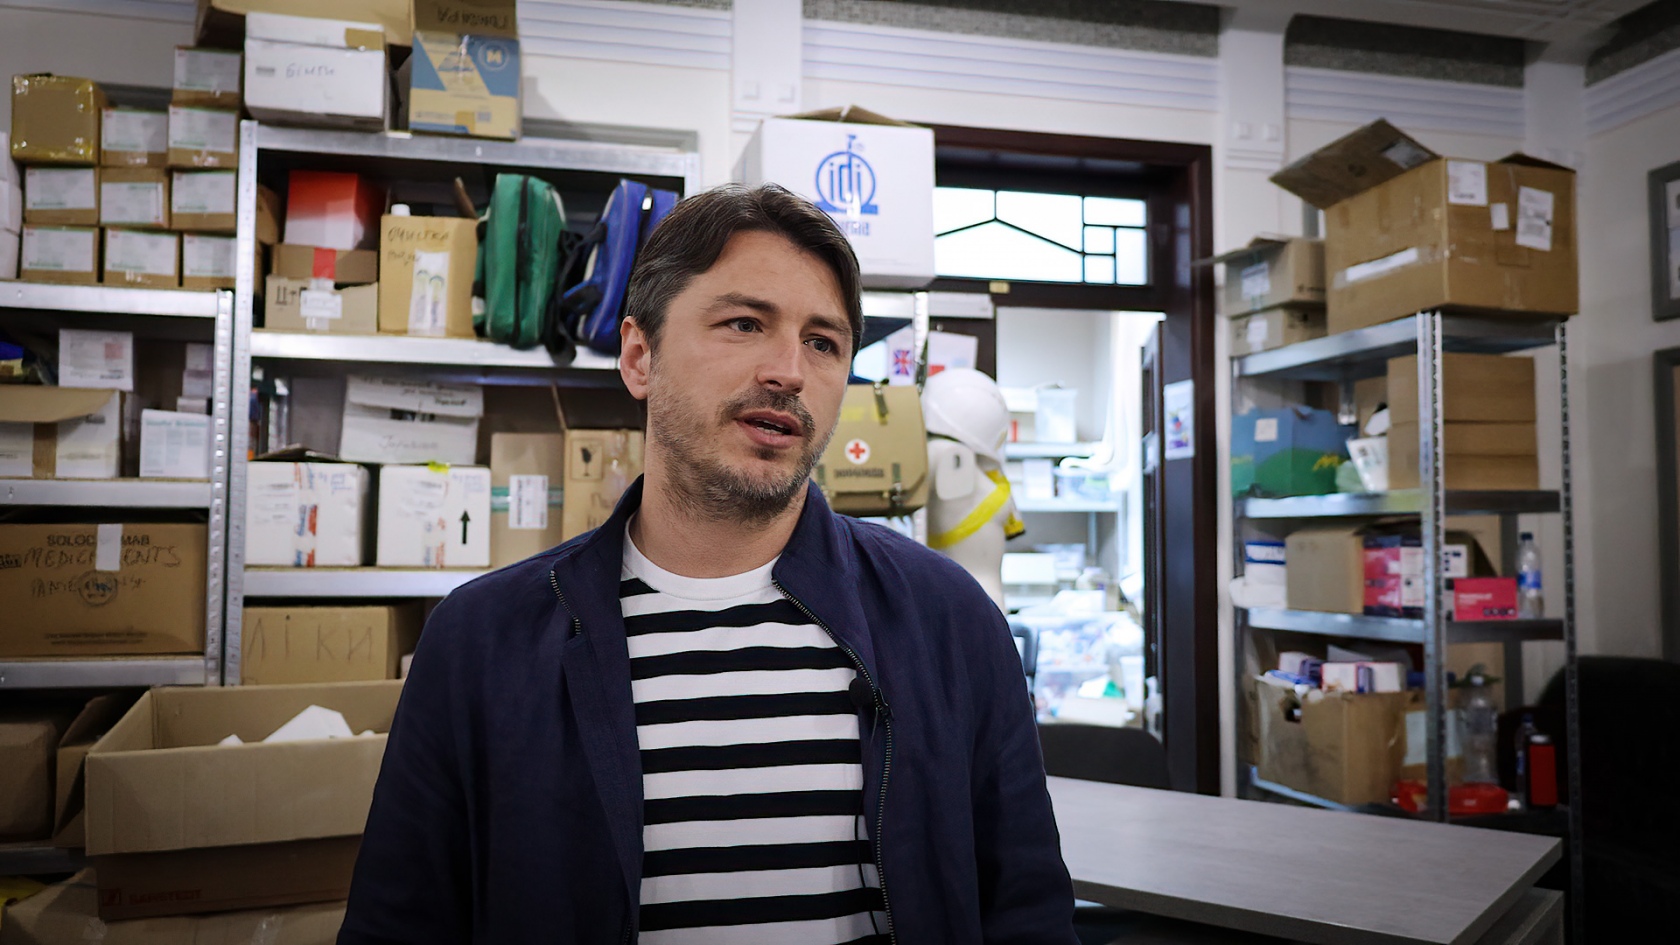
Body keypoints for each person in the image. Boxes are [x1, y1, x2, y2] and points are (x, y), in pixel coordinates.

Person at [338, 183, 1077, 945]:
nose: (789, 370)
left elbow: (1028, 913)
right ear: (639, 356)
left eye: (823, 342)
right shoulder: (483, 641)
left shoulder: (946, 621)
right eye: (744, 323)